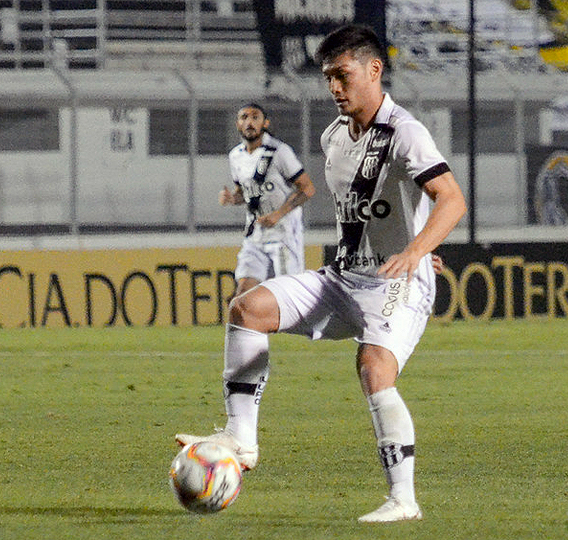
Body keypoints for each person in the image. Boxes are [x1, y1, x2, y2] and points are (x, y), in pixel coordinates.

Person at [176, 24, 467, 523]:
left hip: (396, 284)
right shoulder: (334, 137)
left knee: (374, 368)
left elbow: (452, 198)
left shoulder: (406, 133)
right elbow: (367, 213)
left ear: (374, 70)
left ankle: (403, 499)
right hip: (343, 277)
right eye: (328, 77)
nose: (334, 87)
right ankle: (242, 440)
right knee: (247, 308)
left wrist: (416, 250)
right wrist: (406, 240)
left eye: (343, 75)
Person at [221, 104, 316, 298]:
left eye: (255, 117)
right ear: (237, 124)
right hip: (255, 235)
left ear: (265, 123)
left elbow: (307, 188)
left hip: (284, 234)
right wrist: (232, 198)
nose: (249, 122)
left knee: (290, 297)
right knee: (243, 294)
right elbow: (245, 193)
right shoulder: (235, 156)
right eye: (244, 117)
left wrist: (278, 214)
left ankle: (315, 329)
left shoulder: (279, 151)